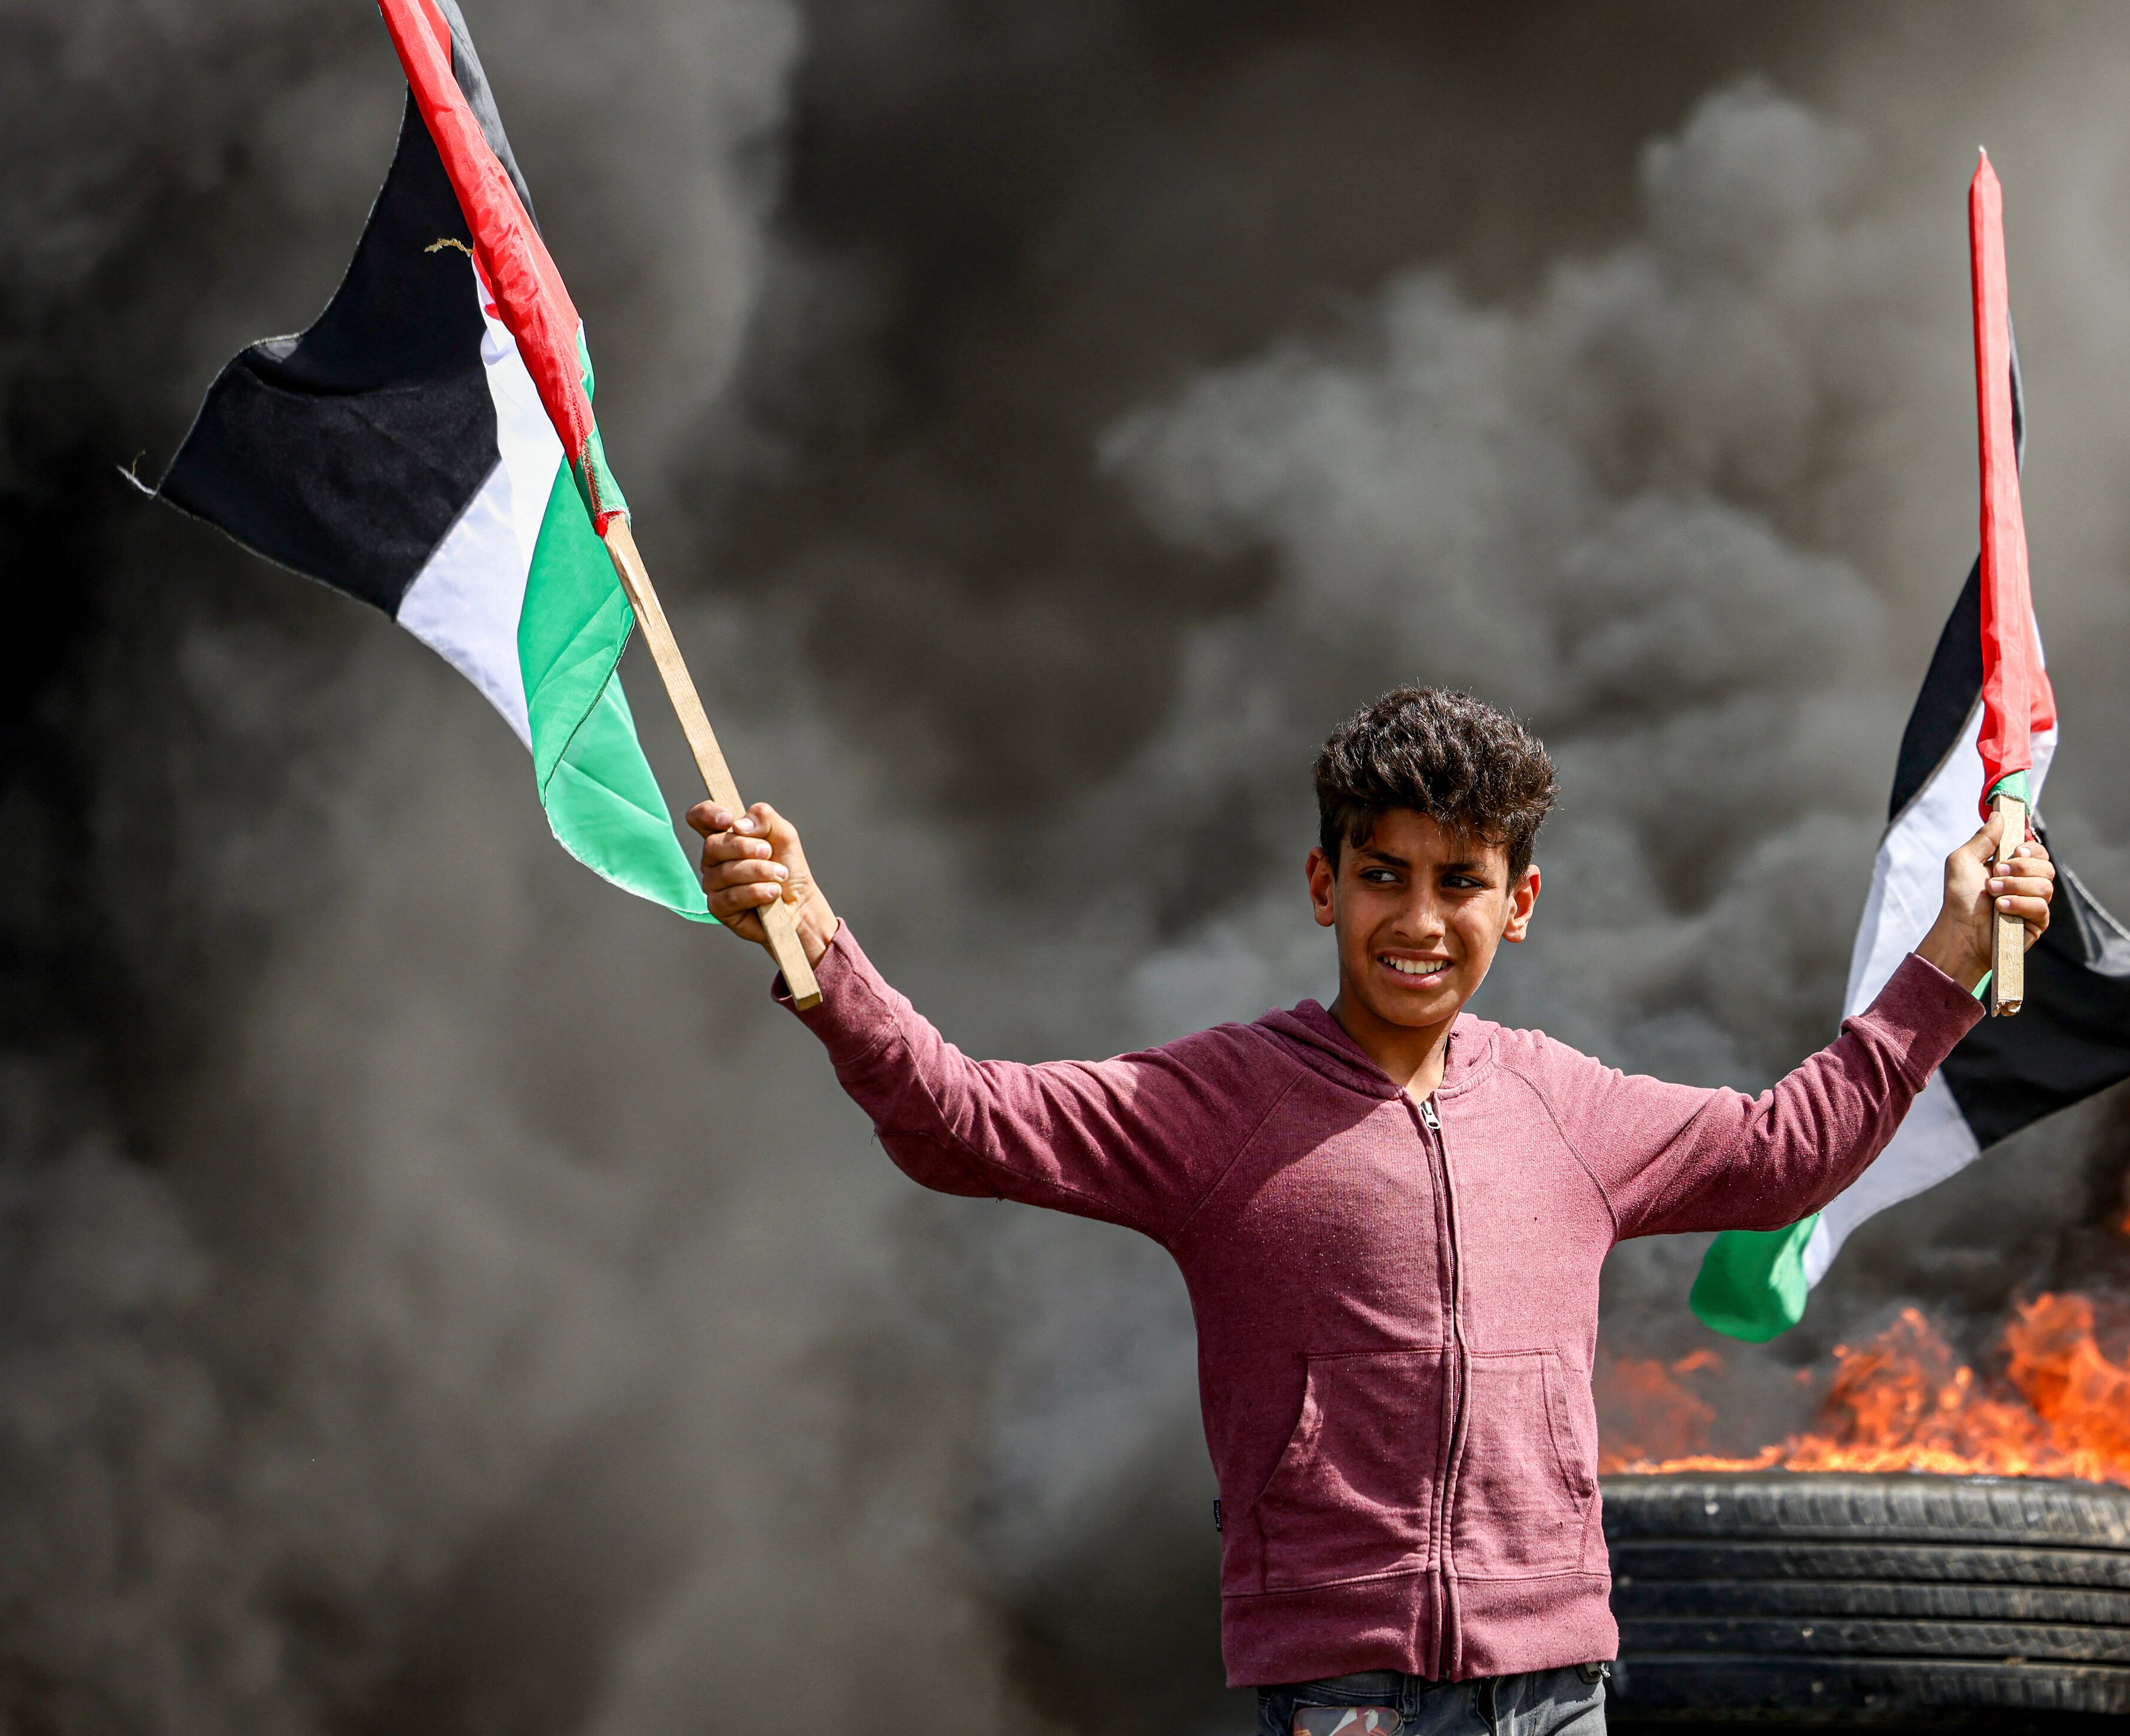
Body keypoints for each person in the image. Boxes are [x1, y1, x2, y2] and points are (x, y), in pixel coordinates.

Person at [689, 686, 2053, 1736]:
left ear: (1516, 904)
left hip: (1557, 1684)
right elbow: (963, 1121)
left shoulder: (1566, 1104)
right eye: (1384, 872)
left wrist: (1945, 955)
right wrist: (819, 951)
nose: (1419, 915)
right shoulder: (1216, 1100)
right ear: (1322, 883)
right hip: (1347, 1687)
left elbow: (1786, 1151)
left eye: (1459, 879)